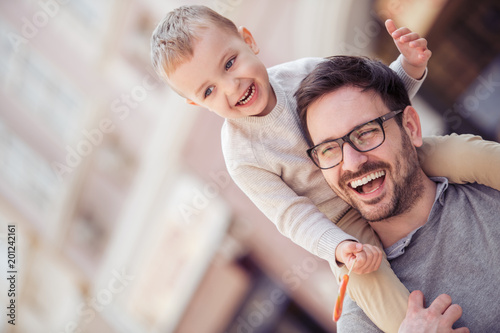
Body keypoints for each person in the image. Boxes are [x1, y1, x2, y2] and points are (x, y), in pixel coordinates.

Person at [150, 5, 500, 332]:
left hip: (388, 156)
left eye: (229, 64)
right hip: (339, 221)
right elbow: (291, 214)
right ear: (196, 102)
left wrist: (408, 68)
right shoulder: (242, 155)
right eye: (209, 90)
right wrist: (338, 247)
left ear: (248, 41)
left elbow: (375, 104)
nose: (232, 87)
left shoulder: (306, 73)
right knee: (366, 275)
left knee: (461, 151)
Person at [295, 55, 500, 332]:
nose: (353, 162)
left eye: (365, 133)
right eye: (329, 149)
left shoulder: (489, 183)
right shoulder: (365, 320)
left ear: (411, 128)